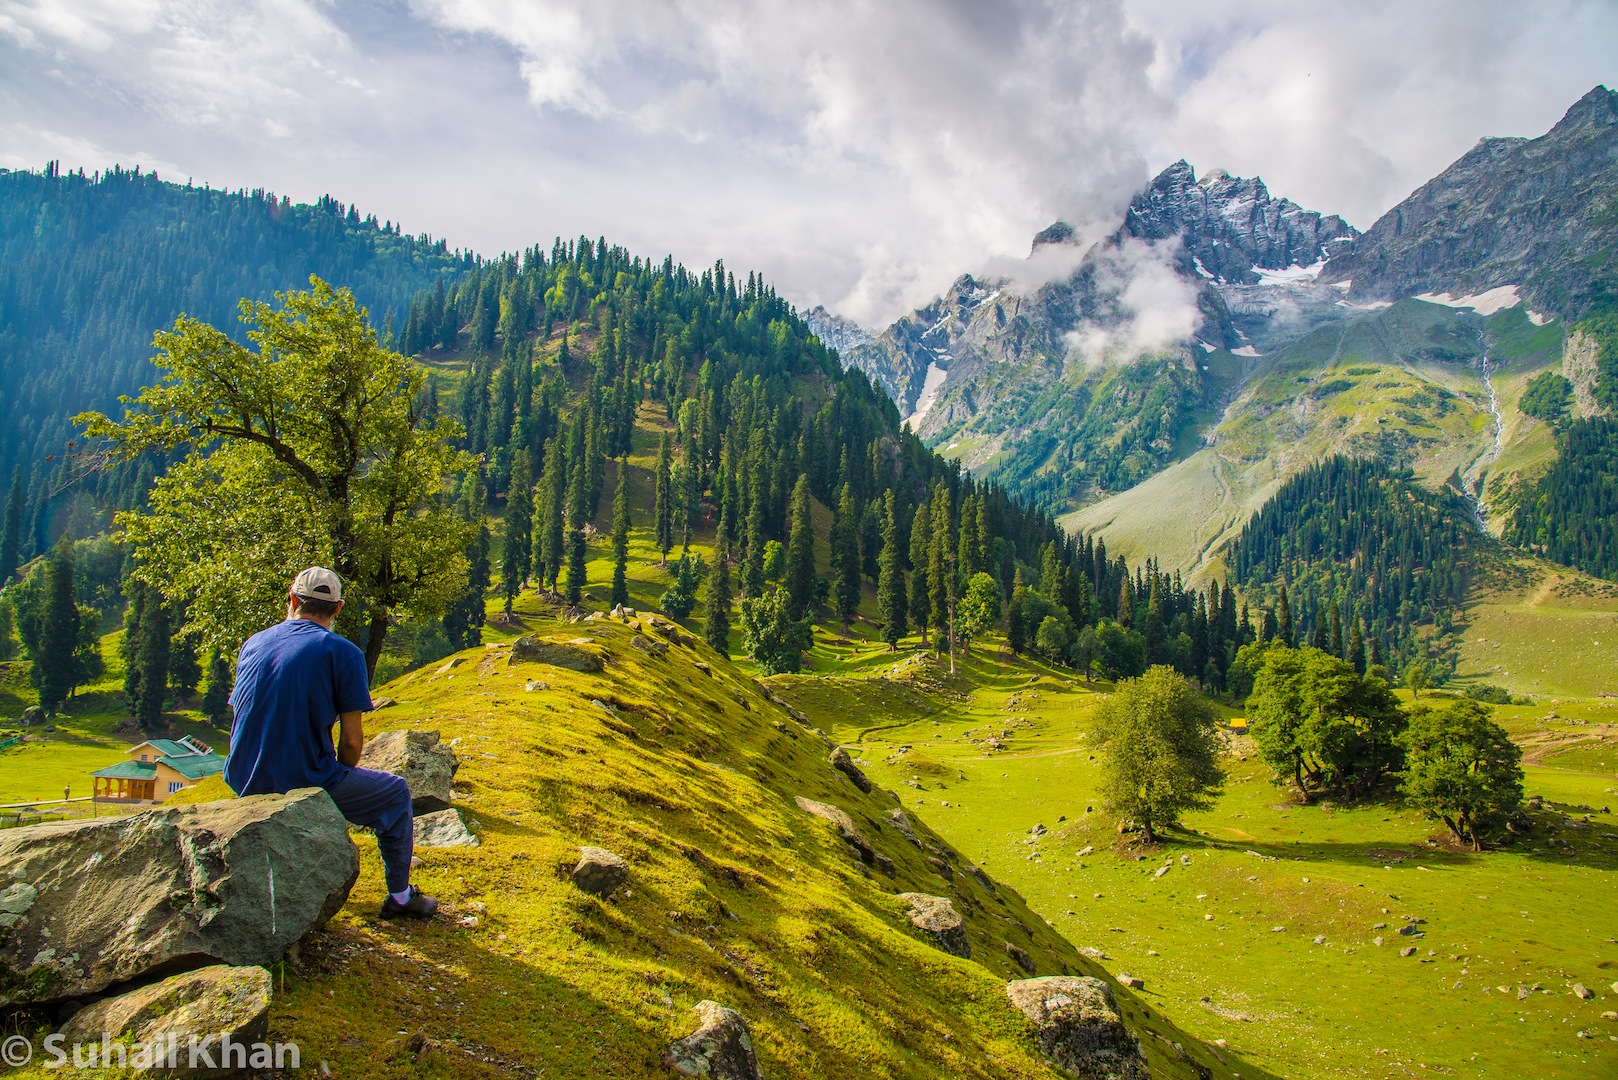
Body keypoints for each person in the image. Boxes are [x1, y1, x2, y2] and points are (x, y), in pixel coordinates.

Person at [224, 567, 437, 919]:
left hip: (241, 774)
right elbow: (351, 742)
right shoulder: (343, 653)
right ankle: (400, 897)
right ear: (337, 609)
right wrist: (338, 777)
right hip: (301, 778)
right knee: (396, 793)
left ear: (292, 600)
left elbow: (242, 713)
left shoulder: (255, 643)